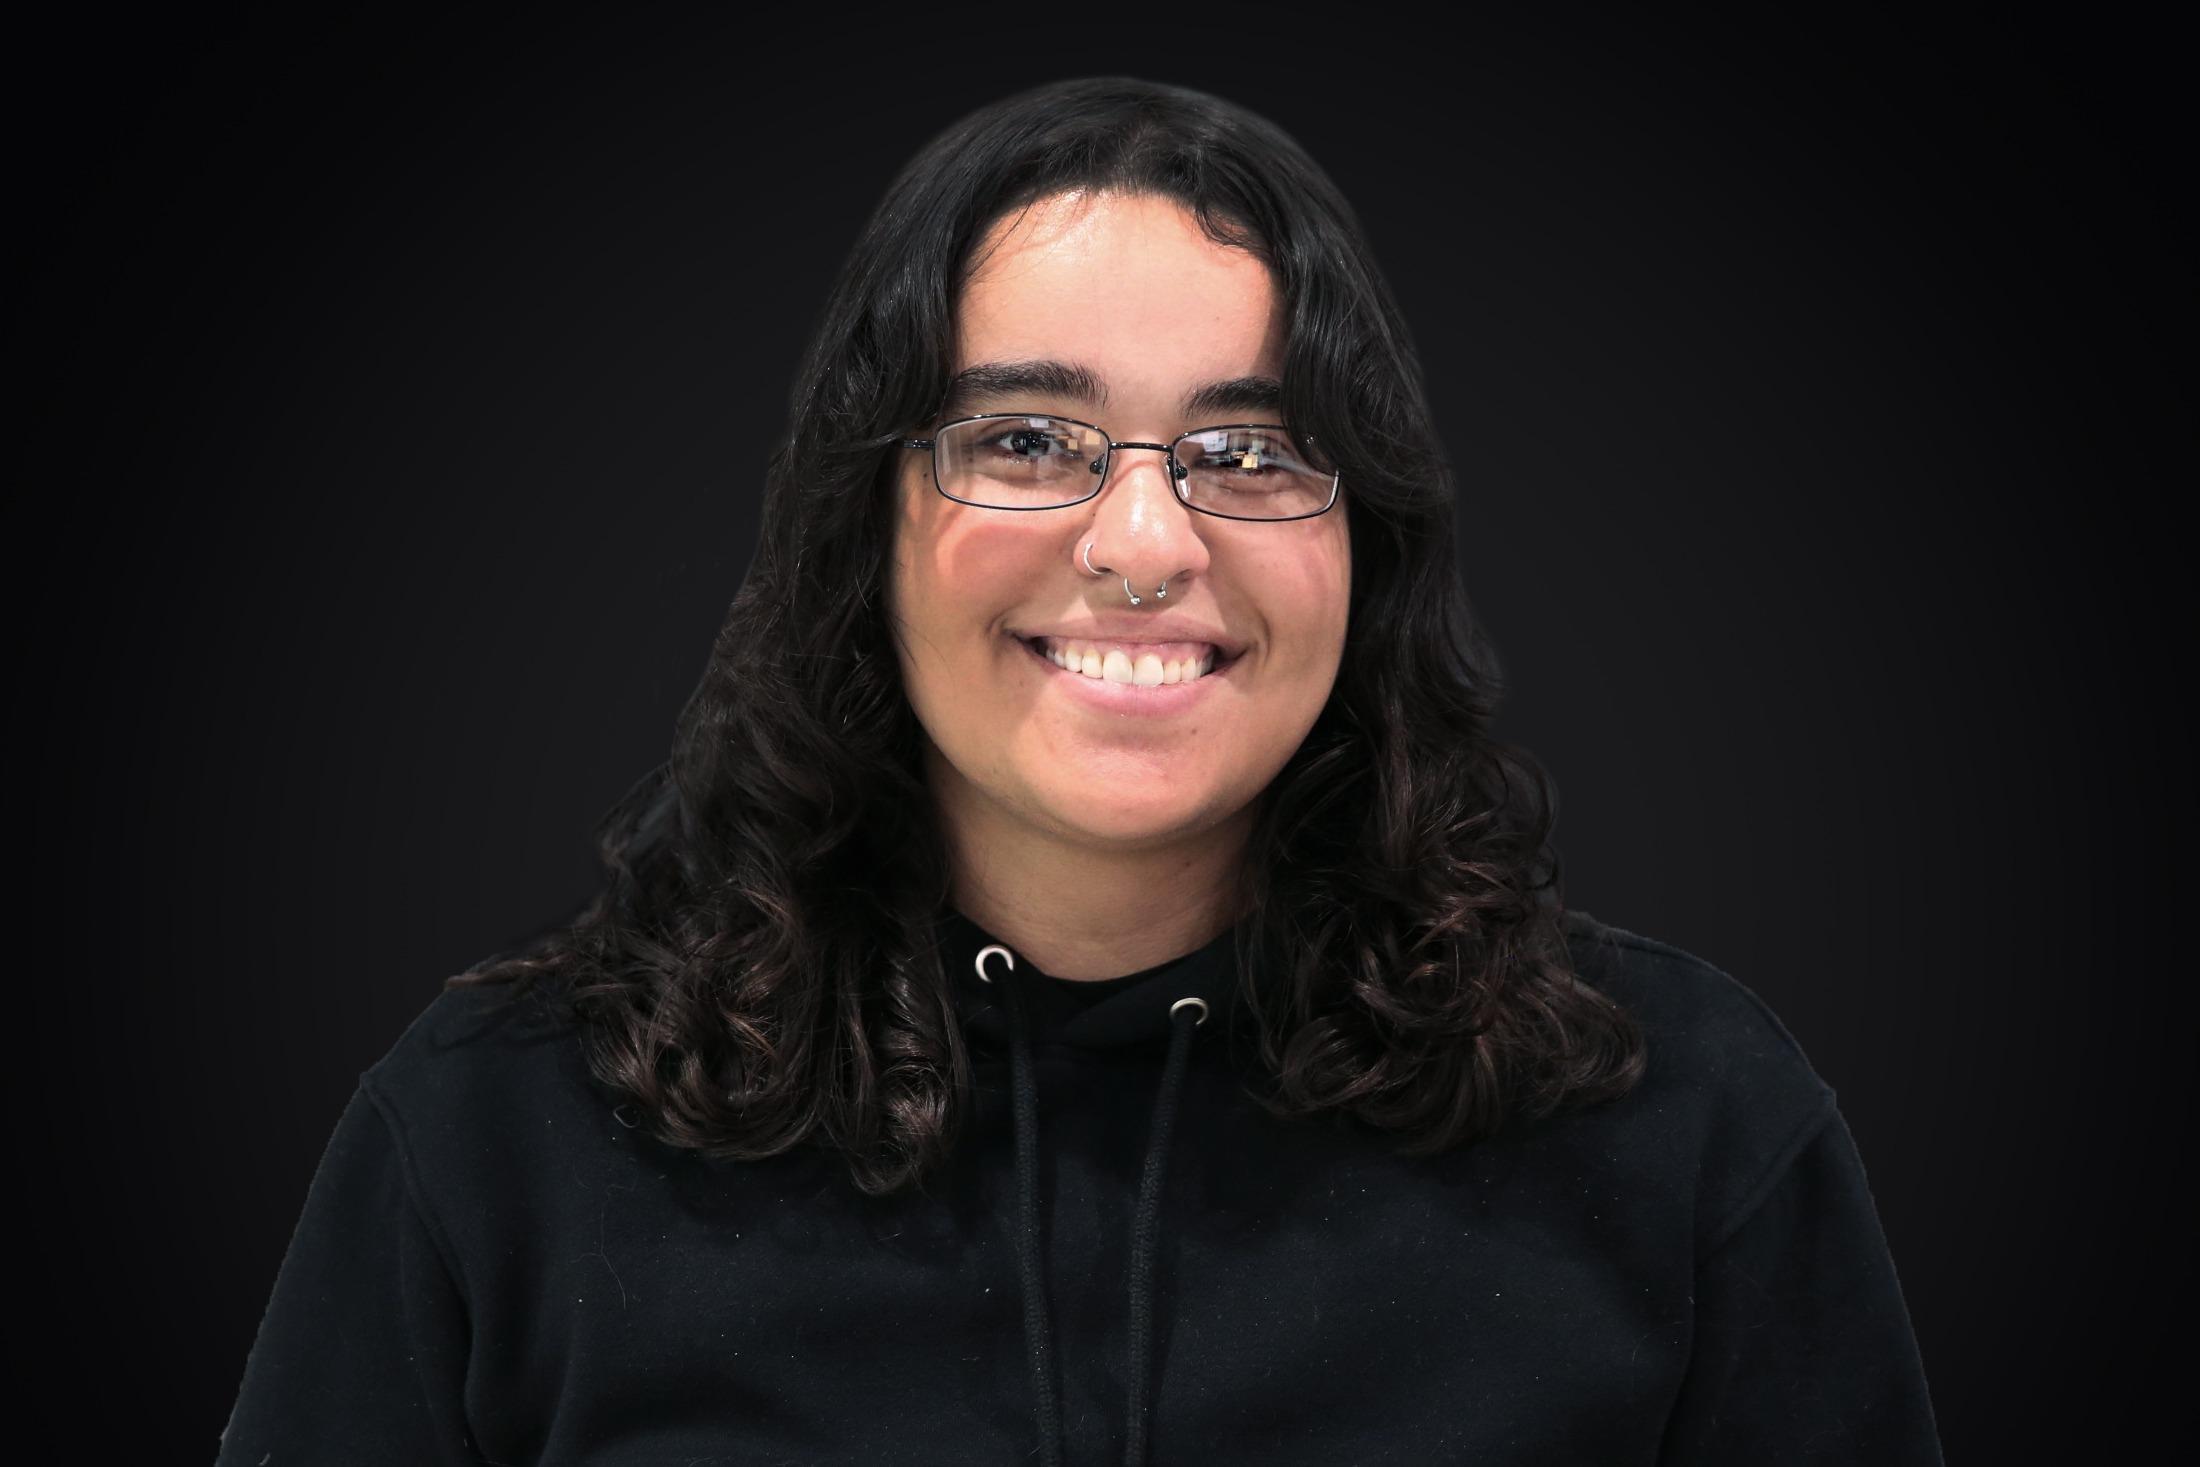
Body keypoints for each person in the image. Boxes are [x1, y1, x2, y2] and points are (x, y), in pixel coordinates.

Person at [215, 76, 1943, 1465]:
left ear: (1373, 546)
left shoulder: (1683, 1126)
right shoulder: (500, 1137)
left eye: (1250, 449)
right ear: (866, 527)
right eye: (1027, 440)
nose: (1142, 541)